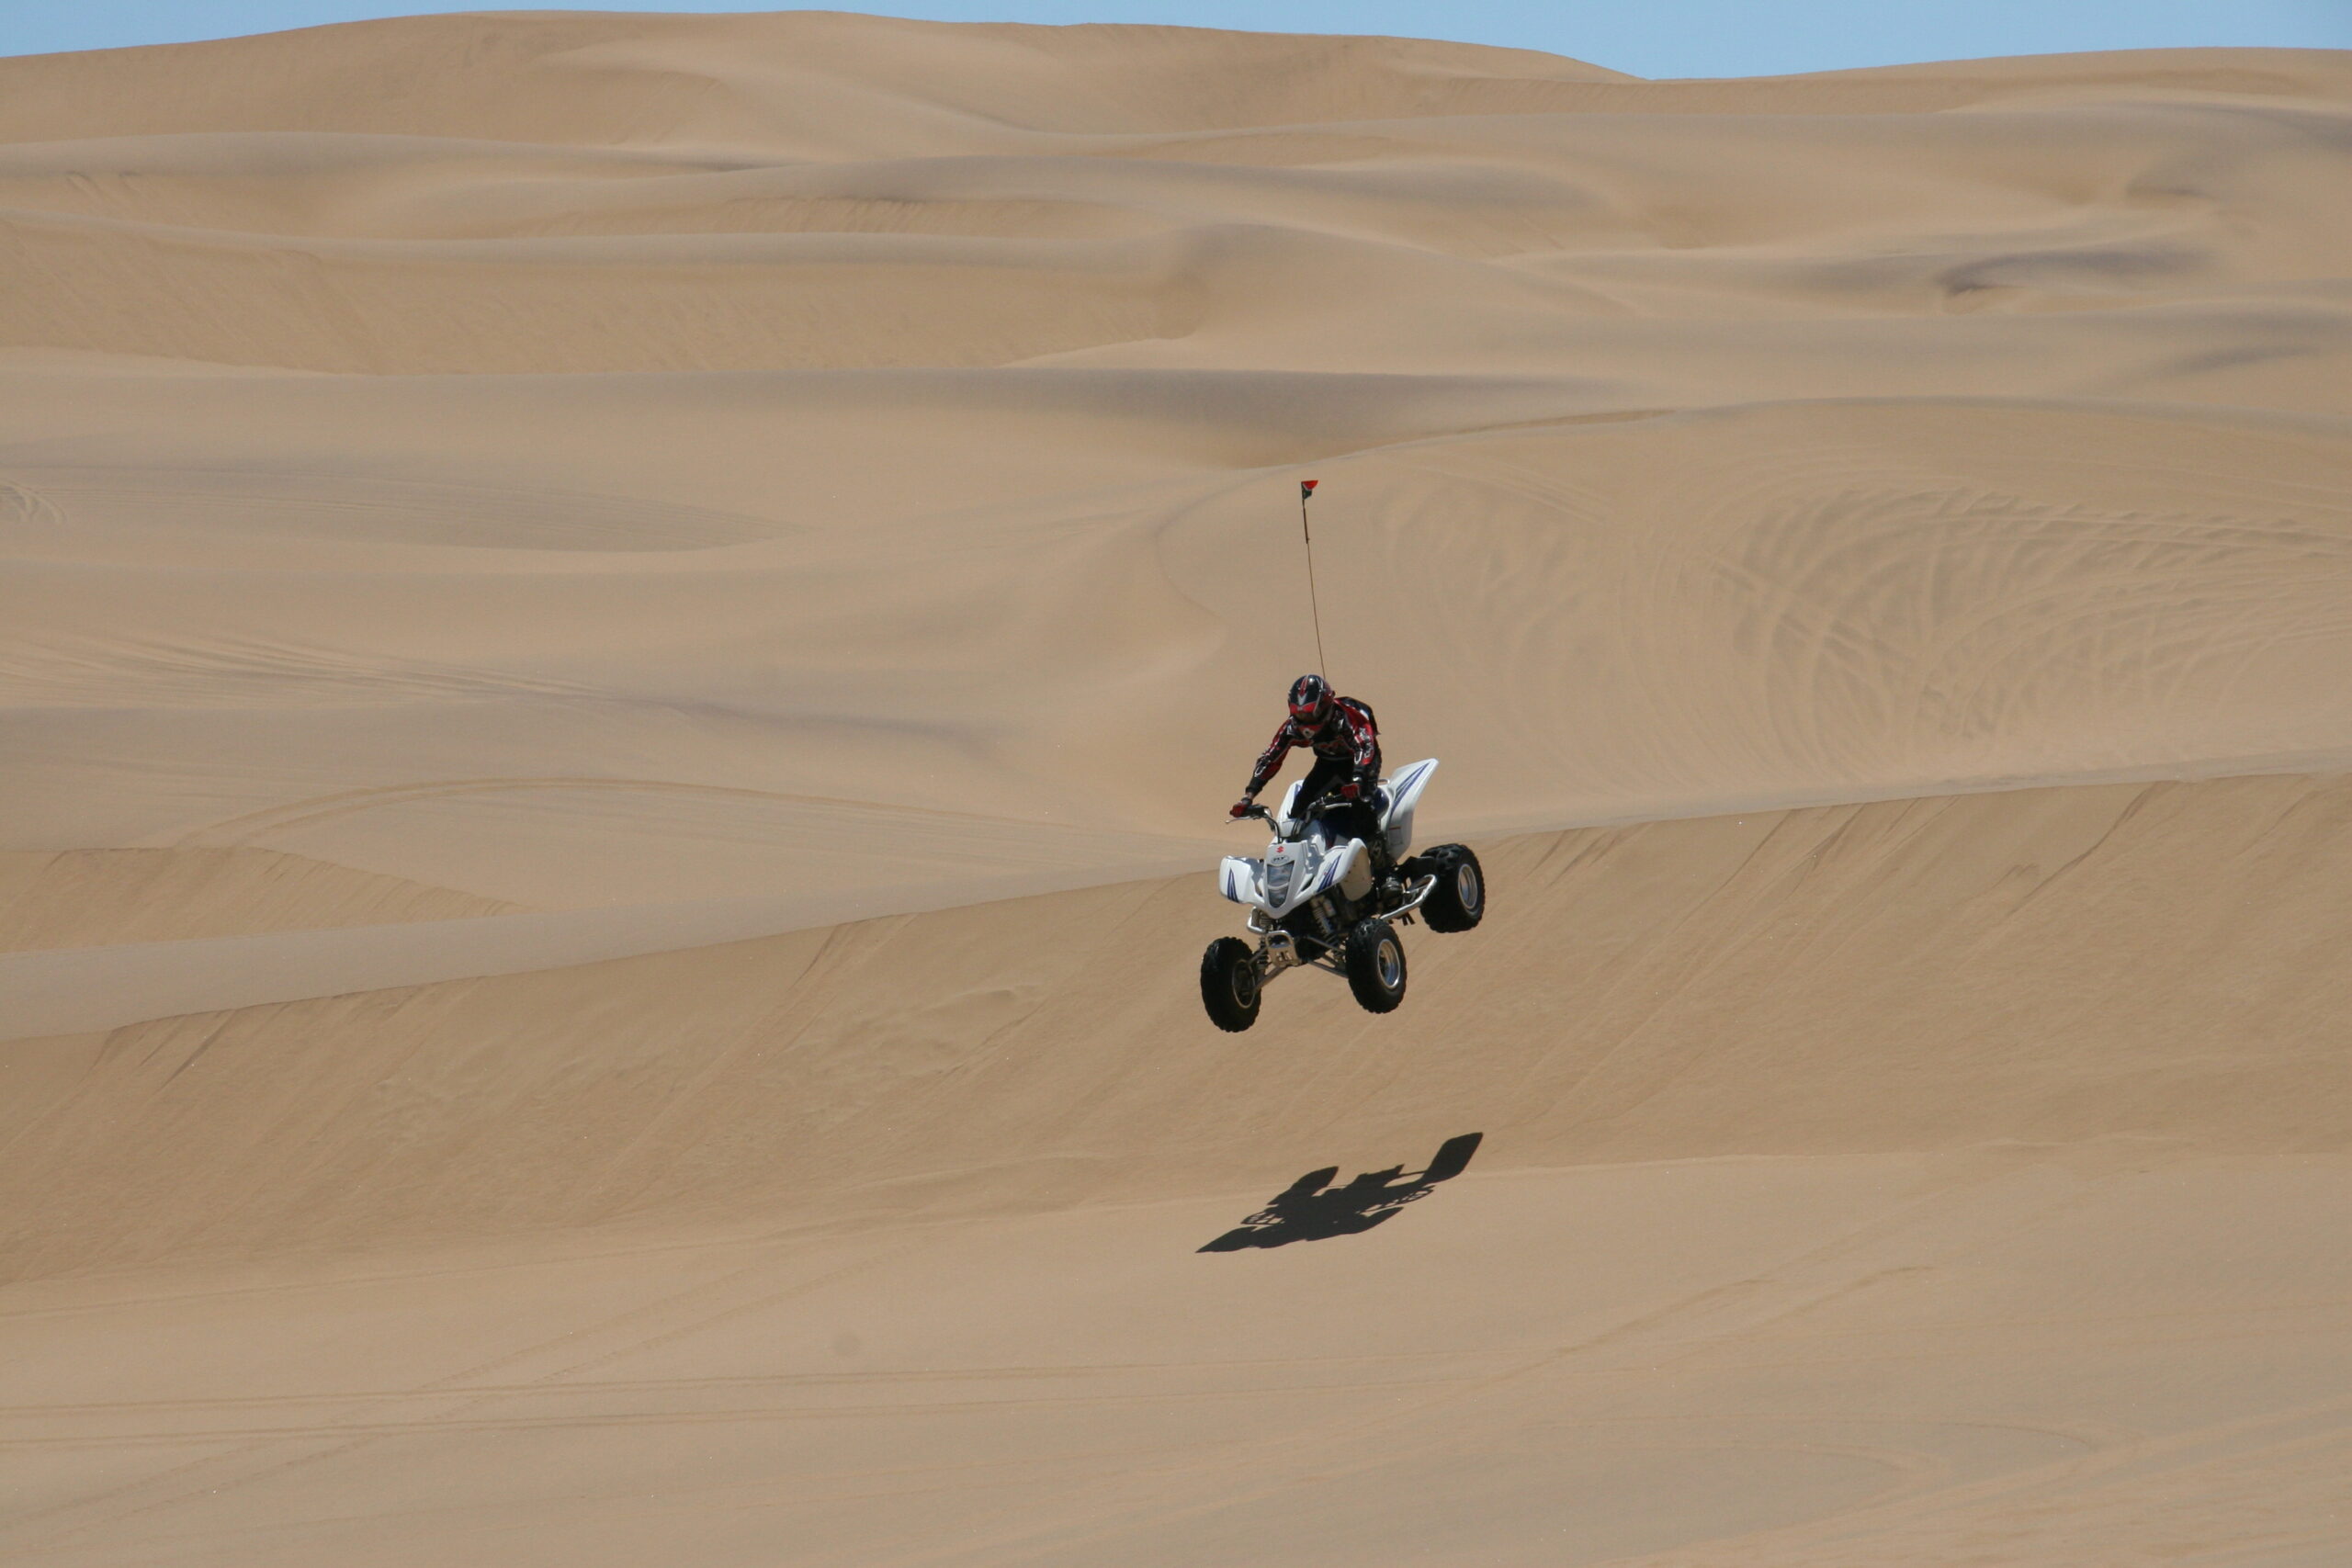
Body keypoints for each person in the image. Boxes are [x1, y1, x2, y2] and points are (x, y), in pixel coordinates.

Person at [1230, 673, 1391, 874]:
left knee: (1362, 806)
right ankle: (1295, 872)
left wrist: (1358, 780)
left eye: (1308, 714)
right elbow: (1271, 757)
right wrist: (1248, 796)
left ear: (1324, 706)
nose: (1303, 720)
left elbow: (1364, 748)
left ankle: (1384, 872)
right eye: (1299, 714)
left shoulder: (1344, 718)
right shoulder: (1293, 727)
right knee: (1297, 813)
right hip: (1327, 763)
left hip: (1361, 763)